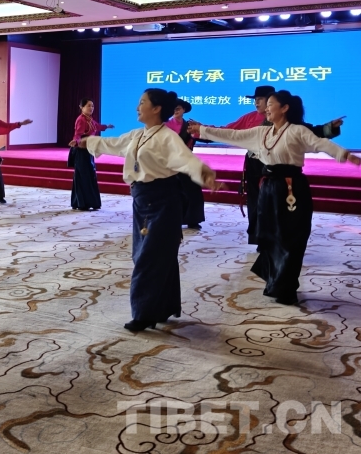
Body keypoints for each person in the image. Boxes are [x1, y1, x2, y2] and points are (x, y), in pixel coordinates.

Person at [190, 90, 360, 305]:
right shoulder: (262, 132)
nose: (266, 108)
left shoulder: (297, 130)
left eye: (270, 104)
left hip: (291, 188)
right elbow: (232, 135)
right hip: (268, 188)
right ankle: (275, 280)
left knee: (290, 238)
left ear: (284, 108)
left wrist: (346, 155)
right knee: (269, 235)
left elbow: (321, 143)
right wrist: (202, 130)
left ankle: (286, 287)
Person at [75, 89, 218, 332]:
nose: (137, 107)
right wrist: (88, 141)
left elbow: (187, 160)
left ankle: (144, 314)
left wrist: (206, 176)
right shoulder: (138, 134)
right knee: (152, 255)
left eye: (142, 103)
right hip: (141, 201)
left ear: (156, 109)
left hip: (163, 202)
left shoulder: (168, 137)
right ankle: (162, 307)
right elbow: (114, 143)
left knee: (149, 257)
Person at [190, 85, 343, 245]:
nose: (257, 103)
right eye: (255, 100)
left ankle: (277, 239)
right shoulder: (249, 118)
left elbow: (311, 132)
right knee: (255, 201)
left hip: (277, 169)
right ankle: (258, 237)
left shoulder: (287, 122)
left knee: (277, 205)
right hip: (254, 165)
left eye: (261, 100)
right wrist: (202, 131)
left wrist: (329, 128)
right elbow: (230, 132)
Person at [167, 99, 205, 230]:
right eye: (173, 108)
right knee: (173, 192)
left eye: (178, 108)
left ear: (184, 110)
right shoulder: (165, 125)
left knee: (193, 191)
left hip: (187, 162)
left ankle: (193, 220)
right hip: (170, 163)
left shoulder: (190, 125)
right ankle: (172, 219)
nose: (176, 111)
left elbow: (203, 137)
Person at [68, 98, 113, 211]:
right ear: (81, 107)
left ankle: (89, 202)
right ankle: (82, 203)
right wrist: (75, 141)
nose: (91, 108)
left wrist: (106, 126)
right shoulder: (81, 120)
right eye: (88, 106)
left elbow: (97, 126)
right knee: (83, 176)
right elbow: (78, 134)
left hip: (88, 149)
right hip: (81, 150)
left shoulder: (90, 119)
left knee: (89, 175)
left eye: (92, 106)